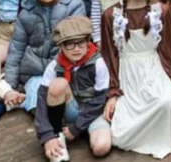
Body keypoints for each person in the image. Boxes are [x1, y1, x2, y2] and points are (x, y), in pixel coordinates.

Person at [101, 0, 171, 158]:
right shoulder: (111, 15)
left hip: (153, 67)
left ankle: (160, 138)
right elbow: (109, 55)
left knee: (167, 100)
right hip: (127, 72)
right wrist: (113, 91)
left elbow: (166, 48)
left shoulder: (161, 11)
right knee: (120, 136)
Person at [5, 0, 87, 113]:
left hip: (66, 72)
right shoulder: (26, 13)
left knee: (70, 109)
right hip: (35, 72)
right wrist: (10, 87)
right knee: (38, 105)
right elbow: (16, 50)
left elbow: (79, 43)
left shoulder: (74, 6)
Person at [34, 15, 113, 160]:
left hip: (92, 113)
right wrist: (47, 135)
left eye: (81, 43)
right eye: (69, 44)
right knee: (59, 84)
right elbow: (41, 100)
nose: (76, 49)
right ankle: (58, 135)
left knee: (101, 147)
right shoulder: (55, 66)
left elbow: (100, 99)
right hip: (69, 111)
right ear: (60, 46)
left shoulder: (98, 63)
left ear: (88, 41)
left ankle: (84, 132)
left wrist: (76, 127)